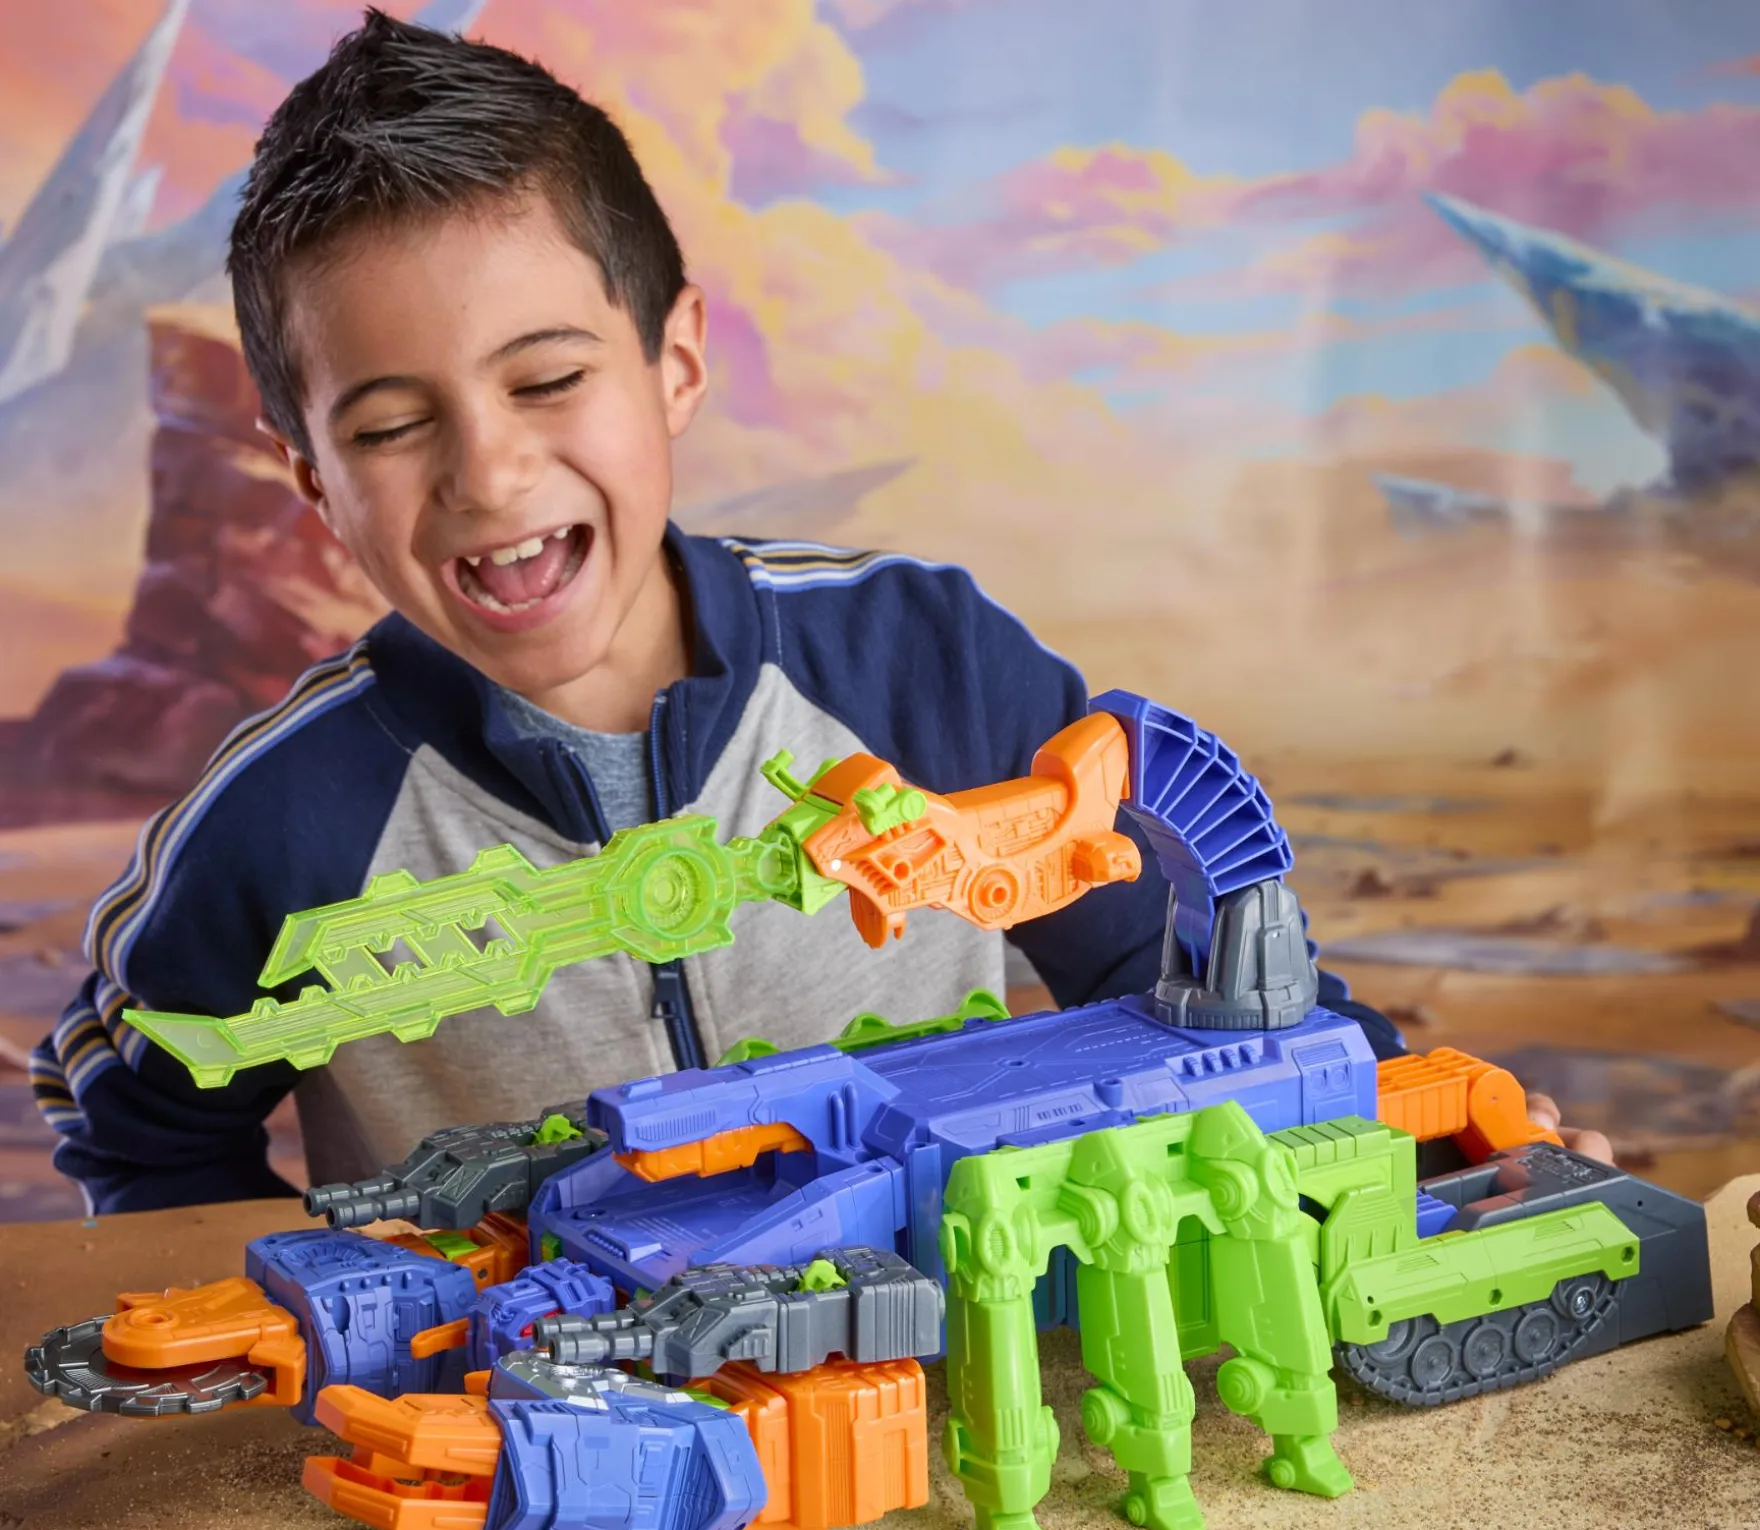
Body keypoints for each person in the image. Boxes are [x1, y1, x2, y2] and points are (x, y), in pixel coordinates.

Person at [31, 10, 1456, 1214]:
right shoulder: (280, 817)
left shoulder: (927, 663)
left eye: (548, 379)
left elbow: (1195, 987)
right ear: (311, 480)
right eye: (393, 425)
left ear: (677, 364)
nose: (490, 472)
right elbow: (139, 1128)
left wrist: (1429, 1138)